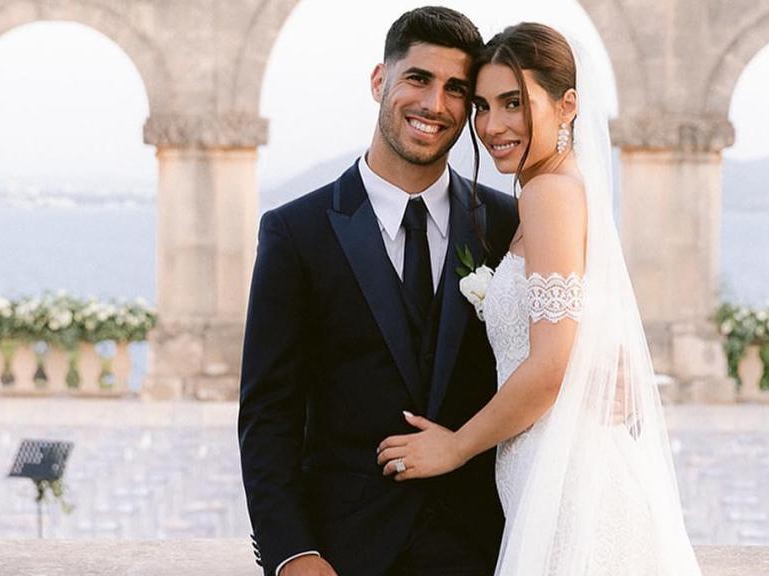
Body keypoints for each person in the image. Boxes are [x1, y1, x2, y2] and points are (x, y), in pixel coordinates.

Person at [376, 23, 703, 575]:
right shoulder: (549, 192)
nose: (493, 126)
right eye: (482, 105)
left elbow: (549, 365)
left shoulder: (550, 195)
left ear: (567, 105)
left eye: (514, 103)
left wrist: (454, 447)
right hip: (549, 471)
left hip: (572, 481)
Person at [238, 7, 518, 576]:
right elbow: (268, 413)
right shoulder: (297, 231)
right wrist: (293, 553)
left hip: (486, 549)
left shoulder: (508, 223)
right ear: (379, 81)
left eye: (456, 89)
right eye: (419, 79)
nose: (434, 105)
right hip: (344, 552)